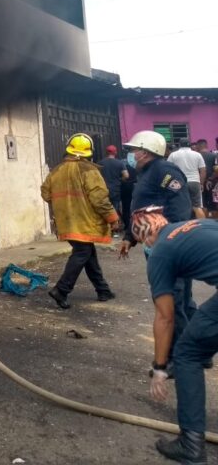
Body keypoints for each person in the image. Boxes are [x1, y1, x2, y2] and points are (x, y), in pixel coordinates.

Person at [132, 207, 218, 465]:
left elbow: (165, 317)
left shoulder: (160, 252)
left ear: (146, 239)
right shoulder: (196, 226)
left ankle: (190, 445)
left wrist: (160, 367)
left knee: (187, 353)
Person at [120, 130, 195, 374]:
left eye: (133, 150)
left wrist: (169, 240)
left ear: (145, 151)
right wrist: (130, 236)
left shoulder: (165, 172)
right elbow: (142, 209)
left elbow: (180, 208)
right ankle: (196, 351)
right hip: (157, 248)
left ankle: (176, 359)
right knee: (183, 301)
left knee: (171, 303)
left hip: (169, 248)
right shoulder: (144, 174)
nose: (130, 154)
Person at [41, 133, 121, 309]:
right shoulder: (89, 170)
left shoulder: (56, 170)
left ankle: (102, 290)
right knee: (82, 253)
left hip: (67, 222)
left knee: (87, 253)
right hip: (85, 222)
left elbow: (46, 194)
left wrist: (65, 206)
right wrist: (113, 217)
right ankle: (61, 289)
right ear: (88, 152)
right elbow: (99, 199)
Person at [168, 138, 206, 219]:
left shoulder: (173, 155)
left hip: (179, 183)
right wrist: (201, 183)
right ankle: (203, 225)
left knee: (181, 205)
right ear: (189, 144)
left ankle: (184, 226)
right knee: (197, 206)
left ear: (179, 145)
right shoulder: (197, 154)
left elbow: (168, 170)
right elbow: (203, 170)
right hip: (195, 182)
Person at [98, 144, 129, 232]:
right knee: (114, 208)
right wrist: (120, 180)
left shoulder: (100, 163)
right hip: (115, 189)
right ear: (115, 152)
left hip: (103, 189)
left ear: (106, 152)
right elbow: (126, 176)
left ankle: (105, 229)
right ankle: (115, 229)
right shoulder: (120, 163)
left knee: (104, 208)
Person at [195, 139, 218, 218]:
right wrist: (211, 179)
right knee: (213, 204)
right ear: (206, 145)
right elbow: (216, 170)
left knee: (203, 203)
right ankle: (215, 224)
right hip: (212, 183)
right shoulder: (214, 155)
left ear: (198, 146)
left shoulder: (196, 156)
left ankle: (206, 223)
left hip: (200, 182)